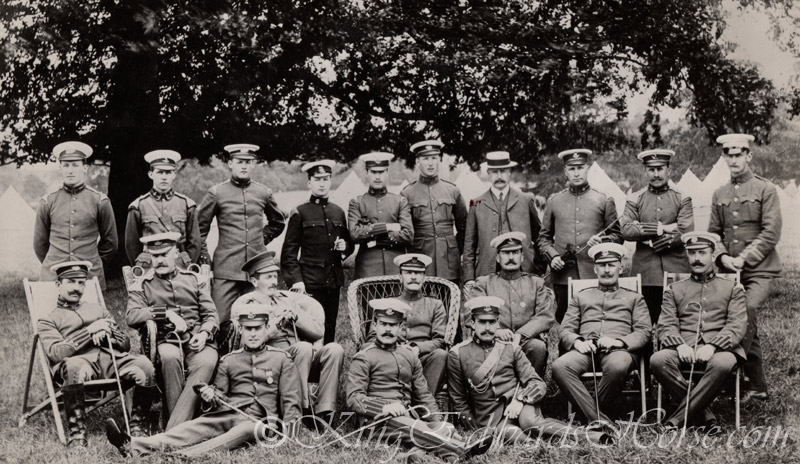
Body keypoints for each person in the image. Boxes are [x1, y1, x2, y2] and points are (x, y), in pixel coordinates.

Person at [106, 307, 302, 457]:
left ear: (266, 329)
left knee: (247, 428)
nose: (253, 334)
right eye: (248, 329)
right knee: (190, 428)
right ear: (240, 330)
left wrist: (288, 435)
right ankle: (131, 445)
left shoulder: (282, 359)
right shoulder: (229, 360)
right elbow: (220, 396)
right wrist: (211, 396)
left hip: (261, 421)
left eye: (258, 329)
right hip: (228, 413)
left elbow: (291, 401)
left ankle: (184, 456)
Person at [448, 296, 612, 445]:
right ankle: (540, 447)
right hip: (490, 415)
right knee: (512, 434)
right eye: (482, 322)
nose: (487, 328)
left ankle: (590, 437)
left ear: (498, 323)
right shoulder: (458, 353)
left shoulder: (510, 348)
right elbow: (458, 398)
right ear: (472, 323)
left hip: (520, 403)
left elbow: (537, 382)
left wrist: (521, 399)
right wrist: (476, 426)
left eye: (492, 322)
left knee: (530, 423)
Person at [346, 298, 493, 462]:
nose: (388, 329)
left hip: (408, 417)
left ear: (401, 328)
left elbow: (423, 394)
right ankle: (460, 451)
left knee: (445, 427)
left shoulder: (409, 355)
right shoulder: (364, 357)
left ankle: (415, 455)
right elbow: (354, 398)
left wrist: (437, 421)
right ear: (375, 326)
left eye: (393, 325)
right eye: (383, 324)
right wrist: (384, 407)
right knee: (418, 428)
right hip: (376, 420)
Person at [37, 261, 157, 446]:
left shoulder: (98, 310)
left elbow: (124, 344)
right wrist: (90, 331)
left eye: (81, 282)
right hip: (80, 363)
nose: (77, 288)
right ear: (58, 285)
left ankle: (138, 427)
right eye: (71, 282)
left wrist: (109, 332)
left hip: (111, 360)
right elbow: (57, 353)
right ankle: (77, 434)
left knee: (144, 365)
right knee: (74, 366)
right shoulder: (48, 319)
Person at [709, 133, 782, 404]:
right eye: (729, 154)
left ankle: (728, 374)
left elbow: (771, 231)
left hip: (760, 269)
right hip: (729, 270)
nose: (734, 159)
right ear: (724, 157)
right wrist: (722, 257)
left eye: (739, 153)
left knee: (746, 311)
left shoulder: (766, 189)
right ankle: (757, 385)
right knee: (744, 321)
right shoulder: (719, 193)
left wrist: (745, 258)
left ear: (749, 156)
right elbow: (713, 234)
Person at [231, 251, 344, 424]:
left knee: (334, 350)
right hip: (273, 363)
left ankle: (325, 412)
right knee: (303, 348)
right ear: (254, 281)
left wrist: (296, 317)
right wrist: (274, 326)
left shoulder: (287, 300)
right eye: (268, 277)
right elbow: (245, 342)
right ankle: (302, 409)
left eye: (275, 277)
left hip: (302, 360)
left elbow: (318, 332)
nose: (274, 282)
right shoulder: (246, 306)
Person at [651, 232, 747, 432]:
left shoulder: (732, 288)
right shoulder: (674, 289)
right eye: (692, 253)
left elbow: (737, 324)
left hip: (720, 349)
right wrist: (679, 344)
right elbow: (666, 324)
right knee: (658, 360)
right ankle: (707, 418)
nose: (697, 258)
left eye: (702, 253)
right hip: (683, 345)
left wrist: (713, 345)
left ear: (713, 256)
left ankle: (675, 420)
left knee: (723, 363)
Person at [125, 232, 219, 430]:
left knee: (207, 360)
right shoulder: (142, 284)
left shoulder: (194, 279)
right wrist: (164, 313)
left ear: (176, 252)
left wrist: (204, 334)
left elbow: (211, 315)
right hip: (166, 339)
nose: (159, 260)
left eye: (164, 254)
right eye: (154, 256)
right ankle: (181, 428)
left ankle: (172, 428)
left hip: (198, 339)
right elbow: (132, 316)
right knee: (169, 357)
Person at [552, 243, 651, 425]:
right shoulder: (581, 297)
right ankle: (599, 418)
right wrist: (577, 342)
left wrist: (619, 342)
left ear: (620, 268)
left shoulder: (634, 298)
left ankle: (586, 416)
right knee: (560, 366)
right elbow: (565, 329)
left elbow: (644, 332)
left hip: (618, 351)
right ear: (595, 269)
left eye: (611, 265)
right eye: (602, 265)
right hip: (585, 350)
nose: (607, 270)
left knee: (618, 365)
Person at [197, 143, 285, 346]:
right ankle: (218, 361)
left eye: (248, 162)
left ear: (253, 163)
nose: (244, 166)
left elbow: (278, 223)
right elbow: (199, 230)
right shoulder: (216, 192)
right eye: (239, 162)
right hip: (226, 268)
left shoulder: (263, 192)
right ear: (230, 163)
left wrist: (259, 240)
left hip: (256, 269)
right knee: (218, 320)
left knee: (259, 318)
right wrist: (205, 259)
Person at [538, 148, 622, 323]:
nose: (576, 173)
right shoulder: (554, 201)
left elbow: (617, 237)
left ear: (588, 168)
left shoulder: (603, 200)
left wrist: (601, 243)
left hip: (594, 273)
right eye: (572, 168)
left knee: (594, 320)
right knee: (565, 323)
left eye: (580, 167)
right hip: (563, 276)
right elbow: (543, 238)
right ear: (565, 171)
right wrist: (552, 257)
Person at [281, 160, 354, 344]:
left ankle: (328, 365)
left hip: (333, 281)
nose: (322, 183)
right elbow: (289, 254)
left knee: (330, 327)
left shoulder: (338, 212)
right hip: (310, 282)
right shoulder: (300, 212)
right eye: (317, 179)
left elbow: (349, 243)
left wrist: (345, 247)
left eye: (326, 178)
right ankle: (311, 370)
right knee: (309, 329)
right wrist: (297, 281)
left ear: (330, 181)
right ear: (309, 183)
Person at [466, 232, 555, 377]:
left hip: (526, 341)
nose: (511, 257)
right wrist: (496, 331)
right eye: (506, 253)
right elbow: (470, 314)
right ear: (497, 257)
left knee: (538, 347)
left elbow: (545, 316)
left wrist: (521, 334)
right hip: (492, 340)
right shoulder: (484, 283)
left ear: (522, 257)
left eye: (515, 252)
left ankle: (531, 391)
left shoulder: (536, 283)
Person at [620, 149, 693, 323]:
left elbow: (685, 231)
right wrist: (661, 228)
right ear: (645, 171)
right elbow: (626, 229)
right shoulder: (635, 198)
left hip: (677, 270)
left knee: (676, 322)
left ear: (669, 169)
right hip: (646, 272)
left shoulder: (682, 197)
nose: (656, 174)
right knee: (644, 323)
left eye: (660, 168)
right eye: (651, 169)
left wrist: (643, 231)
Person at [33, 141, 117, 289]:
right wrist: (53, 263)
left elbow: (110, 242)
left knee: (90, 312)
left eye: (75, 165)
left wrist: (94, 261)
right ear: (60, 168)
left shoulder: (100, 201)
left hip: (89, 276)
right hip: (53, 277)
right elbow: (40, 244)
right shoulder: (47, 201)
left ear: (84, 168)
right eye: (66, 165)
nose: (70, 170)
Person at [364, 254, 447, 396]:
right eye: (408, 273)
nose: (413, 277)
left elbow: (439, 341)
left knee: (441, 355)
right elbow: (372, 336)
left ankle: (424, 400)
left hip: (423, 357)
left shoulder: (435, 305)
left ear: (424, 277)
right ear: (400, 277)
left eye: (418, 273)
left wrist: (417, 348)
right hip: (391, 353)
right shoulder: (388, 303)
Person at [462, 151, 543, 284]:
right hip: (488, 274)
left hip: (524, 271)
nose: (499, 176)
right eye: (494, 172)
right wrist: (469, 278)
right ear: (488, 173)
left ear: (509, 172)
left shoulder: (525, 200)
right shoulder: (476, 204)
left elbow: (539, 237)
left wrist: (538, 267)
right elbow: (469, 246)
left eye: (503, 171)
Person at [400, 140, 468, 282]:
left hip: (449, 262)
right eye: (425, 159)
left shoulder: (452, 190)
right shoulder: (407, 193)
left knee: (450, 301)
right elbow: (405, 231)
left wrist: (454, 250)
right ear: (418, 162)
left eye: (434, 158)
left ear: (439, 160)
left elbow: (464, 228)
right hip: (420, 262)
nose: (430, 163)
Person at [125, 149, 203, 269]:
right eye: (160, 172)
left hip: (180, 268)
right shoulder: (138, 206)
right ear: (151, 175)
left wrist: (185, 267)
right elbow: (131, 245)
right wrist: (143, 267)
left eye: (168, 173)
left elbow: (195, 243)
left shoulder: (187, 205)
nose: (164, 177)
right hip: (150, 268)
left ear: (174, 175)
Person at [348, 151, 413, 279]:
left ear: (387, 173)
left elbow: (408, 235)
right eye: (373, 172)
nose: (377, 177)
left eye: (381, 172)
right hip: (367, 269)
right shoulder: (357, 202)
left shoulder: (400, 201)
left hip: (395, 266)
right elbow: (354, 234)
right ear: (367, 173)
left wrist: (372, 237)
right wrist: (388, 227)